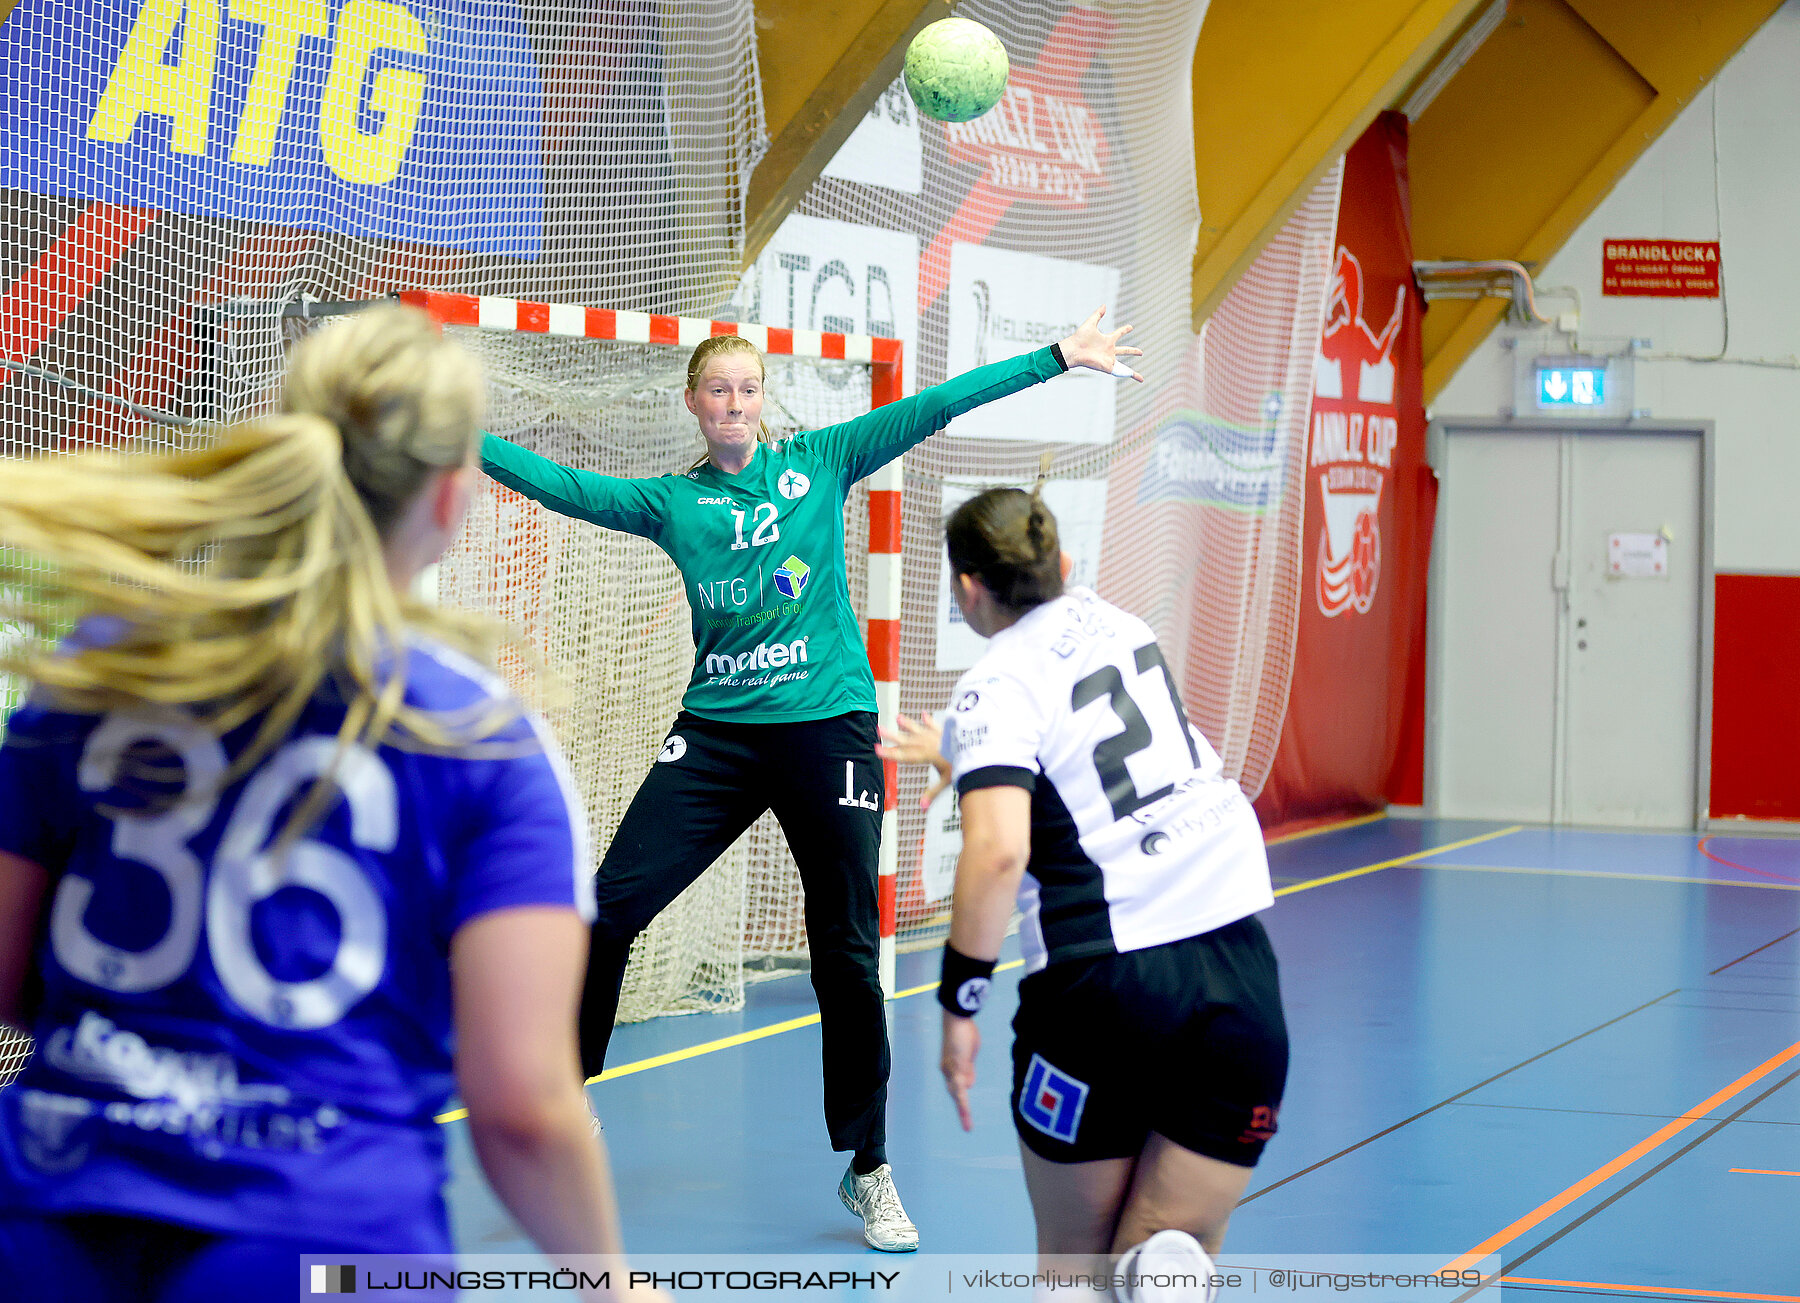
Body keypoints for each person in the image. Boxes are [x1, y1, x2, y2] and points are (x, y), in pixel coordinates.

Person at [0, 305, 657, 1302]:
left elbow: (9, 979)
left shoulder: (100, 669)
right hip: (324, 1240)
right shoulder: (481, 739)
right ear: (449, 498)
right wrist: (613, 1286)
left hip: (49, 1217)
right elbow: (520, 1103)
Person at [479, 308, 1143, 1251]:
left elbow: (935, 405)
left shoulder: (821, 462)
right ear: (695, 405)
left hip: (825, 728)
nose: (734, 403)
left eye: (748, 388)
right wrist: (459, 437)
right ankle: (565, 1094)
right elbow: (564, 486)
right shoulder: (675, 503)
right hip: (716, 735)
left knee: (844, 948)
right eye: (718, 390)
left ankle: (869, 1167)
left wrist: (1057, 358)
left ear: (764, 399)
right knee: (610, 905)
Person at [879, 486, 1288, 1302]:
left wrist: (959, 1007)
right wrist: (958, 754)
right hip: (1238, 974)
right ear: (1065, 564)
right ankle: (1164, 1267)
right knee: (1169, 1250)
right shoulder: (1124, 628)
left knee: (1073, 1268)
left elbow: (1000, 849)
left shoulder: (995, 683)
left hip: (1105, 983)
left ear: (967, 591)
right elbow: (1095, 778)